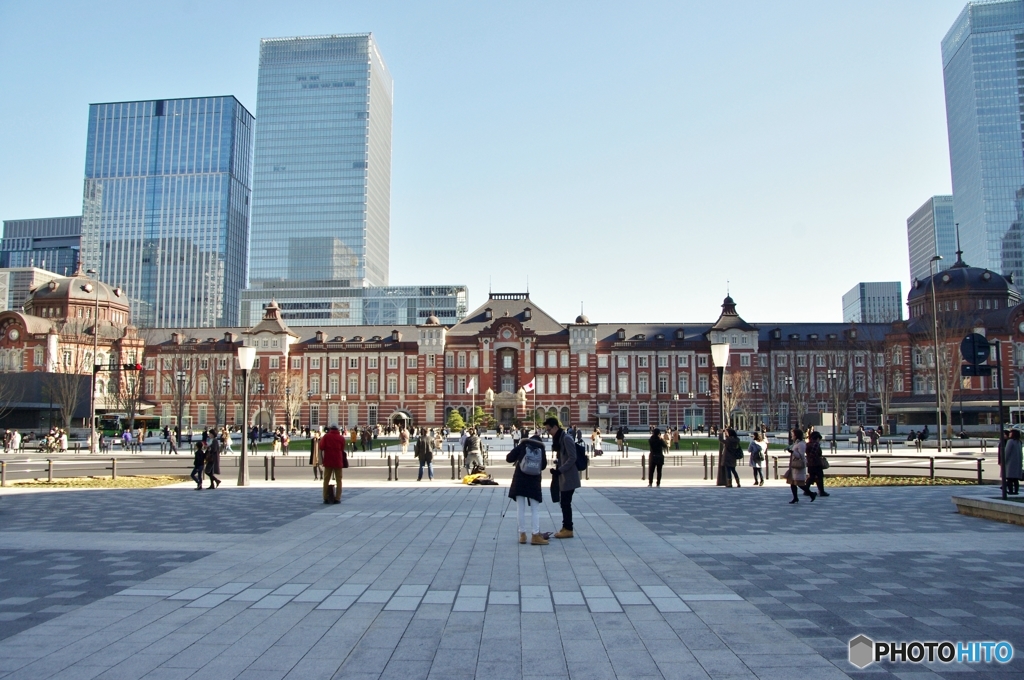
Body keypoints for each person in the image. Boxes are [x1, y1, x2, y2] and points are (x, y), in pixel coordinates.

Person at [507, 432, 549, 545]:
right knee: (535, 509)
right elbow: (544, 465)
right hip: (534, 481)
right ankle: (535, 535)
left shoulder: (523, 445)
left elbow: (509, 458)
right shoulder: (541, 448)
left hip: (520, 480)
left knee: (520, 508)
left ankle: (522, 535)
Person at [546, 417, 580, 539]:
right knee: (564, 503)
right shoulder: (560, 438)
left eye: (549, 430)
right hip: (563, 476)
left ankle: (568, 529)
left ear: (555, 427)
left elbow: (572, 457)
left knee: (565, 503)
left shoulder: (566, 438)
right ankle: (566, 527)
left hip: (569, 476)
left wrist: (560, 470)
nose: (548, 433)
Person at [785, 428, 816, 503]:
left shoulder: (801, 444)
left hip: (798, 466)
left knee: (799, 483)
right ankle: (795, 498)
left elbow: (800, 455)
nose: (791, 436)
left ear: (796, 435)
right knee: (792, 483)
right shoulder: (796, 443)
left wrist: (792, 452)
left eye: (793, 434)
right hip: (794, 466)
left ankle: (811, 494)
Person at [320, 424, 347, 503]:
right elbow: (342, 448)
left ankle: (325, 497)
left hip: (328, 460)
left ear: (330, 429)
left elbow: (321, 447)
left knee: (326, 480)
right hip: (338, 460)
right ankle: (337, 498)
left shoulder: (326, 437)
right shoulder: (341, 438)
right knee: (339, 480)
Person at [805, 431, 829, 497]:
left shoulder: (808, 444)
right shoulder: (816, 444)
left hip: (810, 463)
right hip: (816, 463)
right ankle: (821, 491)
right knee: (820, 477)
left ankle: (806, 490)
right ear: (817, 438)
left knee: (811, 477)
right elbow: (816, 453)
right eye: (819, 439)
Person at [1003, 428, 1022, 495]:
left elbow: (1007, 453)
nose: (1009, 434)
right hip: (1017, 463)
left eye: (1011, 433)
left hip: (1010, 463)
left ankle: (1010, 491)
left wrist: (1004, 461)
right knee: (1015, 479)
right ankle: (1016, 491)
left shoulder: (1010, 441)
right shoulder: (1019, 442)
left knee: (1009, 479)